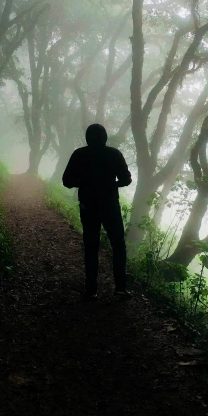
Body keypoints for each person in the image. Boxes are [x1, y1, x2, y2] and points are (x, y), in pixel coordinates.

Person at [62, 124, 132, 299]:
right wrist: (111, 185)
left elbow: (67, 181)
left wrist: (84, 183)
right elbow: (126, 180)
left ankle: (91, 289)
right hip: (110, 205)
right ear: (105, 137)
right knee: (118, 246)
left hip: (88, 206)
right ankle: (120, 288)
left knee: (91, 246)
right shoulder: (114, 154)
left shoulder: (79, 154)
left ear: (87, 137)